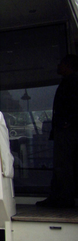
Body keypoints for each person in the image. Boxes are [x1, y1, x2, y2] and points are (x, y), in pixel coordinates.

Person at [37, 54, 78, 208]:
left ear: (68, 66)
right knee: (61, 165)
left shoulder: (72, 82)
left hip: (67, 131)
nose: (58, 66)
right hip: (65, 129)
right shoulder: (69, 82)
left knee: (63, 165)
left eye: (61, 64)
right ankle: (58, 196)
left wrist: (67, 122)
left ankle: (64, 198)